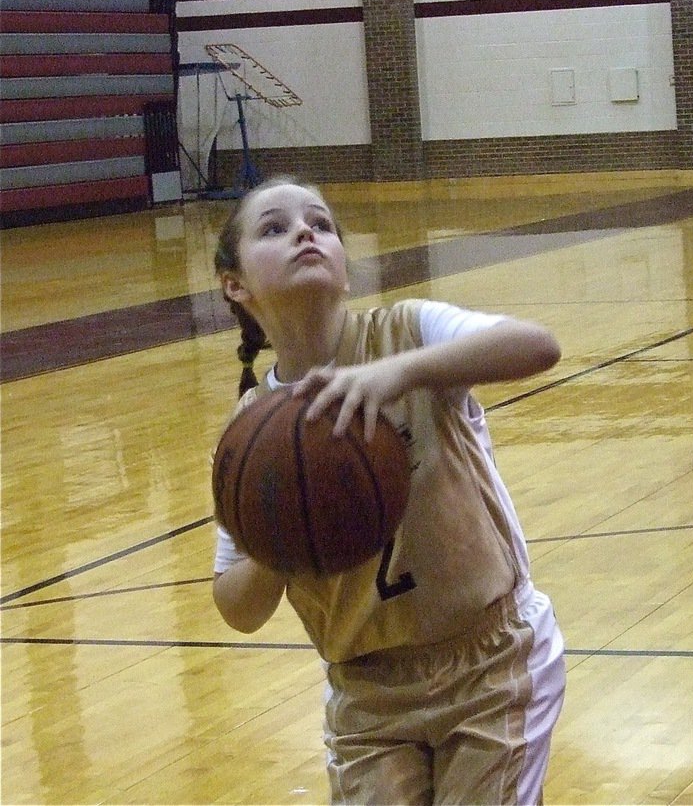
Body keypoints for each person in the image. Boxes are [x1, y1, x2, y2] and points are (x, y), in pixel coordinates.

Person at [209, 177, 566, 805]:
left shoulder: (408, 332)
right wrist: (283, 532)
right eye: (274, 227)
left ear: (346, 270)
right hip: (366, 692)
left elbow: (538, 345)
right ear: (235, 285)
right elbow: (238, 608)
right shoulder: (251, 436)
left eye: (321, 224)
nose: (304, 232)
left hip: (490, 663)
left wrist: (400, 373)